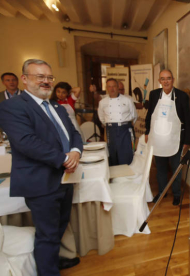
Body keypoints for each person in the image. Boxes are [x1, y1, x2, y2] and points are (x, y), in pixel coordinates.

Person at [0, 59, 83, 275]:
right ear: (25, 79)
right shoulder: (12, 106)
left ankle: (51, 262)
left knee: (59, 225)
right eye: (40, 77)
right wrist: (64, 159)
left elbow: (74, 133)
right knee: (47, 233)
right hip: (41, 181)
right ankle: (48, 271)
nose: (45, 82)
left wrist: (76, 151)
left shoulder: (57, 106)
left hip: (65, 179)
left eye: (49, 77)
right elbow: (26, 142)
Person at [145, 69, 190, 206]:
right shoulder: (154, 95)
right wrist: (147, 132)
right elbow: (149, 116)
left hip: (175, 139)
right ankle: (162, 192)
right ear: (159, 81)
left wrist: (187, 141)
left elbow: (188, 120)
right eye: (163, 79)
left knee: (176, 169)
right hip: (158, 139)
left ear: (173, 80)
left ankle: (176, 194)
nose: (166, 81)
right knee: (160, 169)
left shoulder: (182, 96)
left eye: (168, 78)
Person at [97, 78, 137, 166]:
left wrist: (126, 125)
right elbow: (102, 118)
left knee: (126, 155)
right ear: (107, 88)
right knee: (113, 155)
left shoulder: (127, 100)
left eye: (114, 86)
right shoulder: (102, 102)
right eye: (109, 87)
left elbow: (134, 115)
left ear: (118, 87)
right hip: (111, 131)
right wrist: (110, 125)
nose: (112, 89)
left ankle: (127, 176)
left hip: (125, 130)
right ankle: (115, 178)